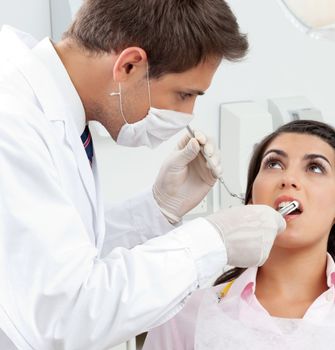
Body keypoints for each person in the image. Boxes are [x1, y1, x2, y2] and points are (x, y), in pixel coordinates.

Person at [0, 1, 286, 349]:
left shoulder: (45, 94)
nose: (187, 113)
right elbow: (65, 316)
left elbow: (58, 257)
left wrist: (156, 210)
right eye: (184, 94)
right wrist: (212, 242)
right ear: (129, 65)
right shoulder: (13, 119)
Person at [143, 120, 335, 350]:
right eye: (274, 164)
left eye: (315, 167)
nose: (288, 179)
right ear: (252, 199)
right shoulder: (185, 317)